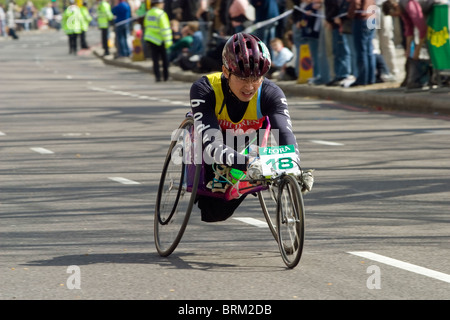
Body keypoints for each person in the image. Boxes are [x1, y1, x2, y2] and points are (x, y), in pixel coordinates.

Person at [189, 32, 312, 222]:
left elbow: (285, 134)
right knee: (210, 208)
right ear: (225, 71)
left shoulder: (271, 93)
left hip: (247, 146)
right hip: (213, 147)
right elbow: (211, 145)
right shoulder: (204, 89)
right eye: (242, 78)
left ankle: (239, 176)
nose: (250, 86)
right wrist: (247, 163)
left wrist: (293, 164)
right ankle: (230, 173)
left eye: (256, 78)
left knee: (218, 212)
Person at [143, 0, 173, 82]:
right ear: (157, 4)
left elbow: (146, 24)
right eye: (162, 3)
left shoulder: (149, 13)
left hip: (151, 39)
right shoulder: (161, 14)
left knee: (155, 59)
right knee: (164, 59)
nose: (163, 4)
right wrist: (168, 42)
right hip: (161, 39)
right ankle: (166, 77)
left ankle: (157, 77)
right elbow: (165, 29)